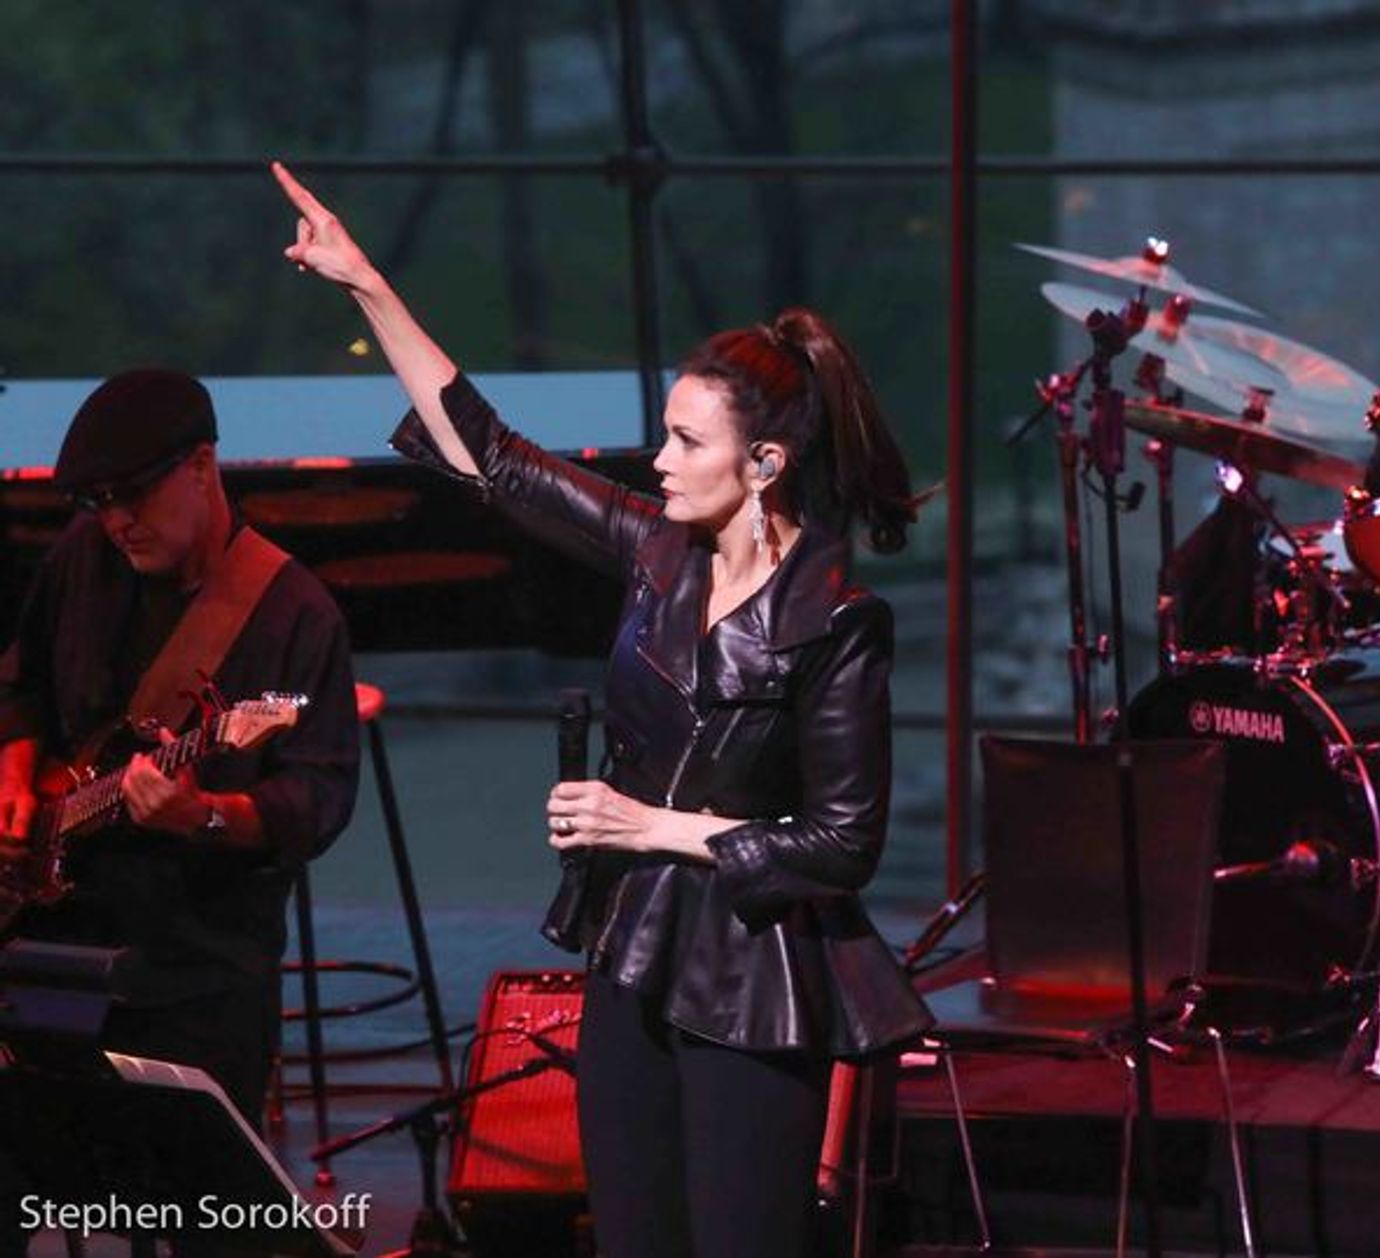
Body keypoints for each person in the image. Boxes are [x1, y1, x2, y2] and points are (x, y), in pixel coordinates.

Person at [273, 160, 932, 1258]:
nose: (659, 462)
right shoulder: (658, 555)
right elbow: (490, 454)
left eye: (686, 443)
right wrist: (365, 285)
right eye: (664, 436)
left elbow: (841, 844)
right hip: (633, 952)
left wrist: (650, 825)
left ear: (763, 463)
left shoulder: (835, 619)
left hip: (749, 980)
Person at [0, 367, 360, 1129]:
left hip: (198, 963)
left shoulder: (294, 613)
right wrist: (16, 766)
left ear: (201, 467)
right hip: (50, 947)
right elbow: (19, 682)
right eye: (97, 503)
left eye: (131, 495)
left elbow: (317, 802)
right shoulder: (81, 559)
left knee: (203, 1211)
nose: (115, 521)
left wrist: (205, 814)